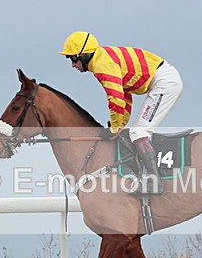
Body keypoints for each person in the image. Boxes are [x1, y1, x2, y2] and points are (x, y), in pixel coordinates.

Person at [59, 30, 183, 194]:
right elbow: (125, 96)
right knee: (135, 131)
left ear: (84, 55)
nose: (73, 65)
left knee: (139, 132)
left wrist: (114, 128)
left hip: (164, 83)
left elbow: (115, 98)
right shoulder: (101, 59)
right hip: (163, 79)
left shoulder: (101, 65)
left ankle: (154, 183)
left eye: (73, 59)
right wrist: (119, 125)